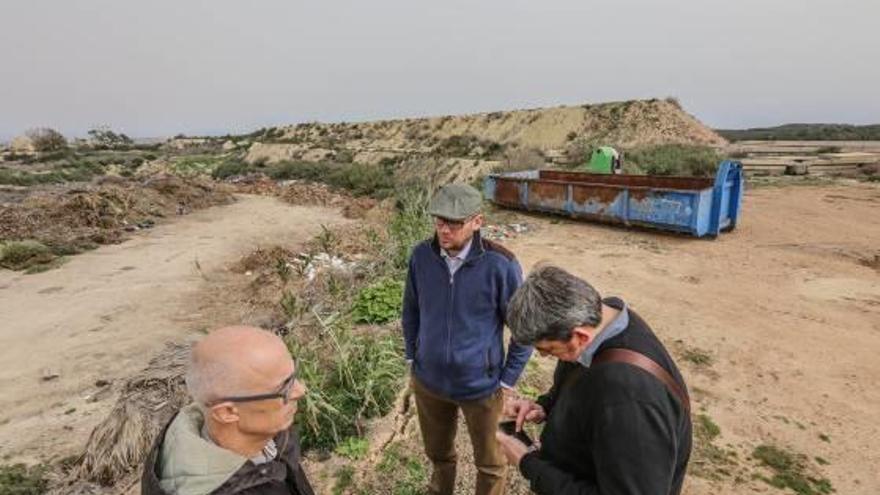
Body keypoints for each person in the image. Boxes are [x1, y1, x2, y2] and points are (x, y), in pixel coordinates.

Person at [496, 265, 692, 495]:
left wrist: (526, 461)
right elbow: (580, 383)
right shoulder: (603, 320)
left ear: (580, 335)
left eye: (548, 349)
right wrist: (545, 407)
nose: (544, 356)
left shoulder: (629, 400)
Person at [402, 183, 533, 495]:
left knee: (490, 463)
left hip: (483, 387)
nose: (444, 230)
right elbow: (411, 312)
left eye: (454, 223)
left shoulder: (501, 265)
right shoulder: (421, 256)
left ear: (477, 222)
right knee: (439, 456)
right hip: (429, 383)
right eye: (439, 222)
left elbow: (524, 330)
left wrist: (507, 380)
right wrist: (413, 357)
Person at [142, 326, 314, 495]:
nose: (301, 390)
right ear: (228, 413)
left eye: (293, 376)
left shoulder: (267, 430)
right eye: (285, 387)